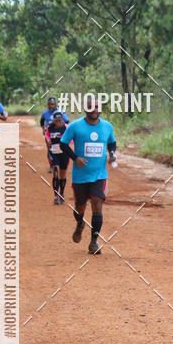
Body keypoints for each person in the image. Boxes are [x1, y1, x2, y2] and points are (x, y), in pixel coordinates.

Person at [60, 95, 117, 254]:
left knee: (97, 203)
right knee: (80, 207)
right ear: (86, 108)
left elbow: (112, 142)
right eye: (91, 107)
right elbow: (63, 144)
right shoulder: (75, 126)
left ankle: (94, 242)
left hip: (99, 174)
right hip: (80, 176)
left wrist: (112, 153)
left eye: (97, 107)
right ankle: (80, 224)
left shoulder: (107, 126)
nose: (94, 110)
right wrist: (75, 158)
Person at [45, 110, 70, 204]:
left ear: (62, 120)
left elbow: (72, 138)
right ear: (53, 120)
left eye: (60, 120)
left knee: (63, 175)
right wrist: (48, 141)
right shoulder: (50, 127)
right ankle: (56, 195)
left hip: (64, 153)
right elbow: (47, 136)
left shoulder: (67, 128)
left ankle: (61, 193)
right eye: (56, 120)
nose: (58, 122)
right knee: (55, 172)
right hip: (54, 153)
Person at [40, 97, 69, 172]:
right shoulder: (45, 113)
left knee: (61, 149)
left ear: (55, 104)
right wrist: (43, 129)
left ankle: (61, 164)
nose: (51, 106)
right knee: (50, 150)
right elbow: (41, 121)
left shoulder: (60, 112)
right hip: (49, 134)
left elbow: (67, 121)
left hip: (60, 134)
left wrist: (61, 127)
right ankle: (51, 166)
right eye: (49, 104)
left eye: (52, 104)